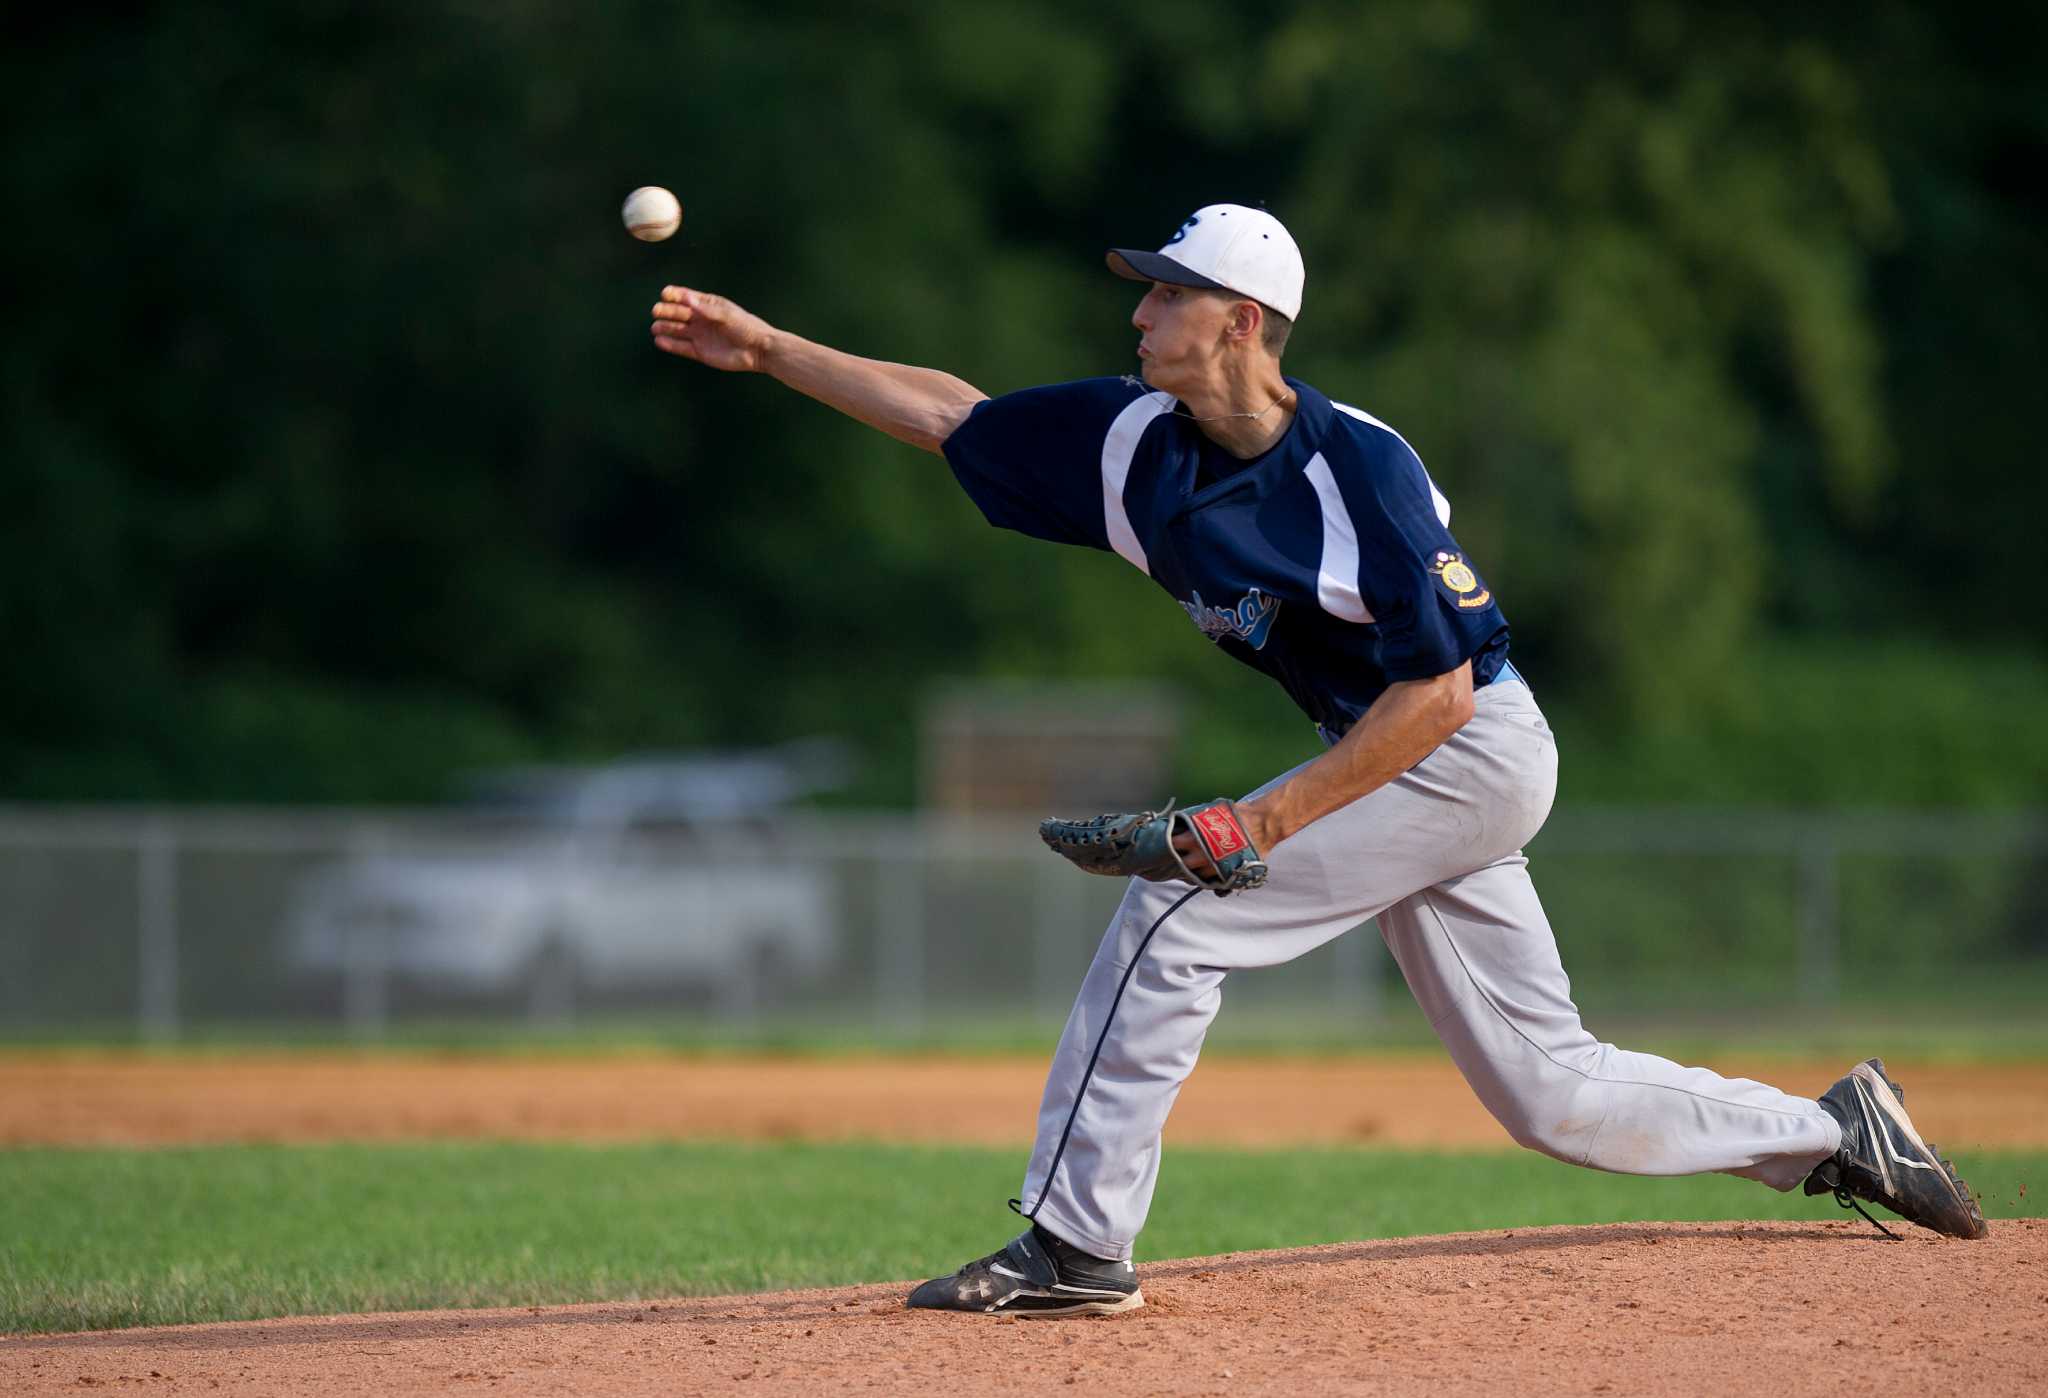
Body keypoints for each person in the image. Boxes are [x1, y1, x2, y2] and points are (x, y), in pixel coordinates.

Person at [650, 204, 1987, 1316]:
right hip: (1389, 758)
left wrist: (1260, 821)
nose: (1137, 315)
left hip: (1463, 745)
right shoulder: (1131, 448)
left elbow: (1442, 688)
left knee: (1174, 912)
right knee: (1549, 1089)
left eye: (1165, 294)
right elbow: (955, 416)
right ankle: (1834, 1131)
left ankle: (1073, 1243)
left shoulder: (1362, 471)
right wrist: (770, 349)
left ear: (1243, 322)